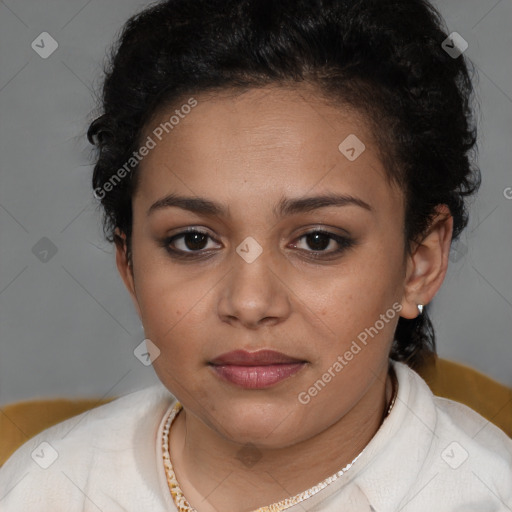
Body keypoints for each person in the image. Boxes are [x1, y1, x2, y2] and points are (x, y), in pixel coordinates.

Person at [1, 0, 511, 510]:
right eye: (193, 240)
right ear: (129, 264)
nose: (249, 302)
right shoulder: (46, 487)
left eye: (318, 240)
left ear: (419, 263)